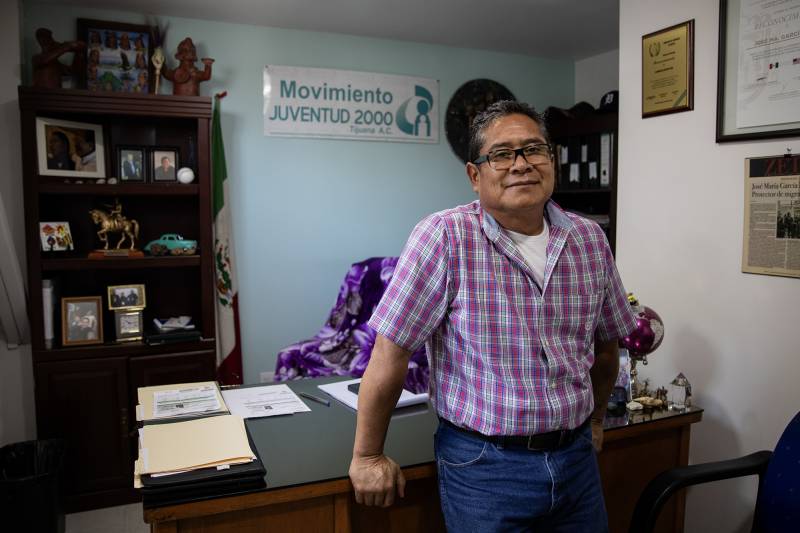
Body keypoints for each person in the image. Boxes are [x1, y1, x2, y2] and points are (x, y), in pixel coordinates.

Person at [348, 100, 637, 531]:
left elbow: (607, 346)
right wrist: (367, 455)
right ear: (474, 174)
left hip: (576, 460)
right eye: (502, 154)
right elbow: (391, 354)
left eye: (534, 149)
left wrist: (595, 420)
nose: (521, 164)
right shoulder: (445, 236)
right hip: (485, 467)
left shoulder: (589, 239)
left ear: (551, 161)